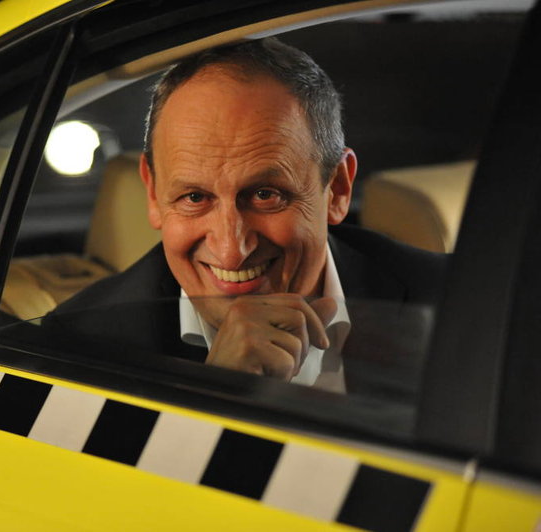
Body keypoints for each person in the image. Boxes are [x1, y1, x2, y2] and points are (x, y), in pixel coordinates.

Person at [45, 37, 446, 398]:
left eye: (265, 195)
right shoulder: (76, 351)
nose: (231, 251)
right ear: (153, 193)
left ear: (338, 189)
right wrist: (215, 394)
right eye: (195, 197)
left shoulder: (454, 298)